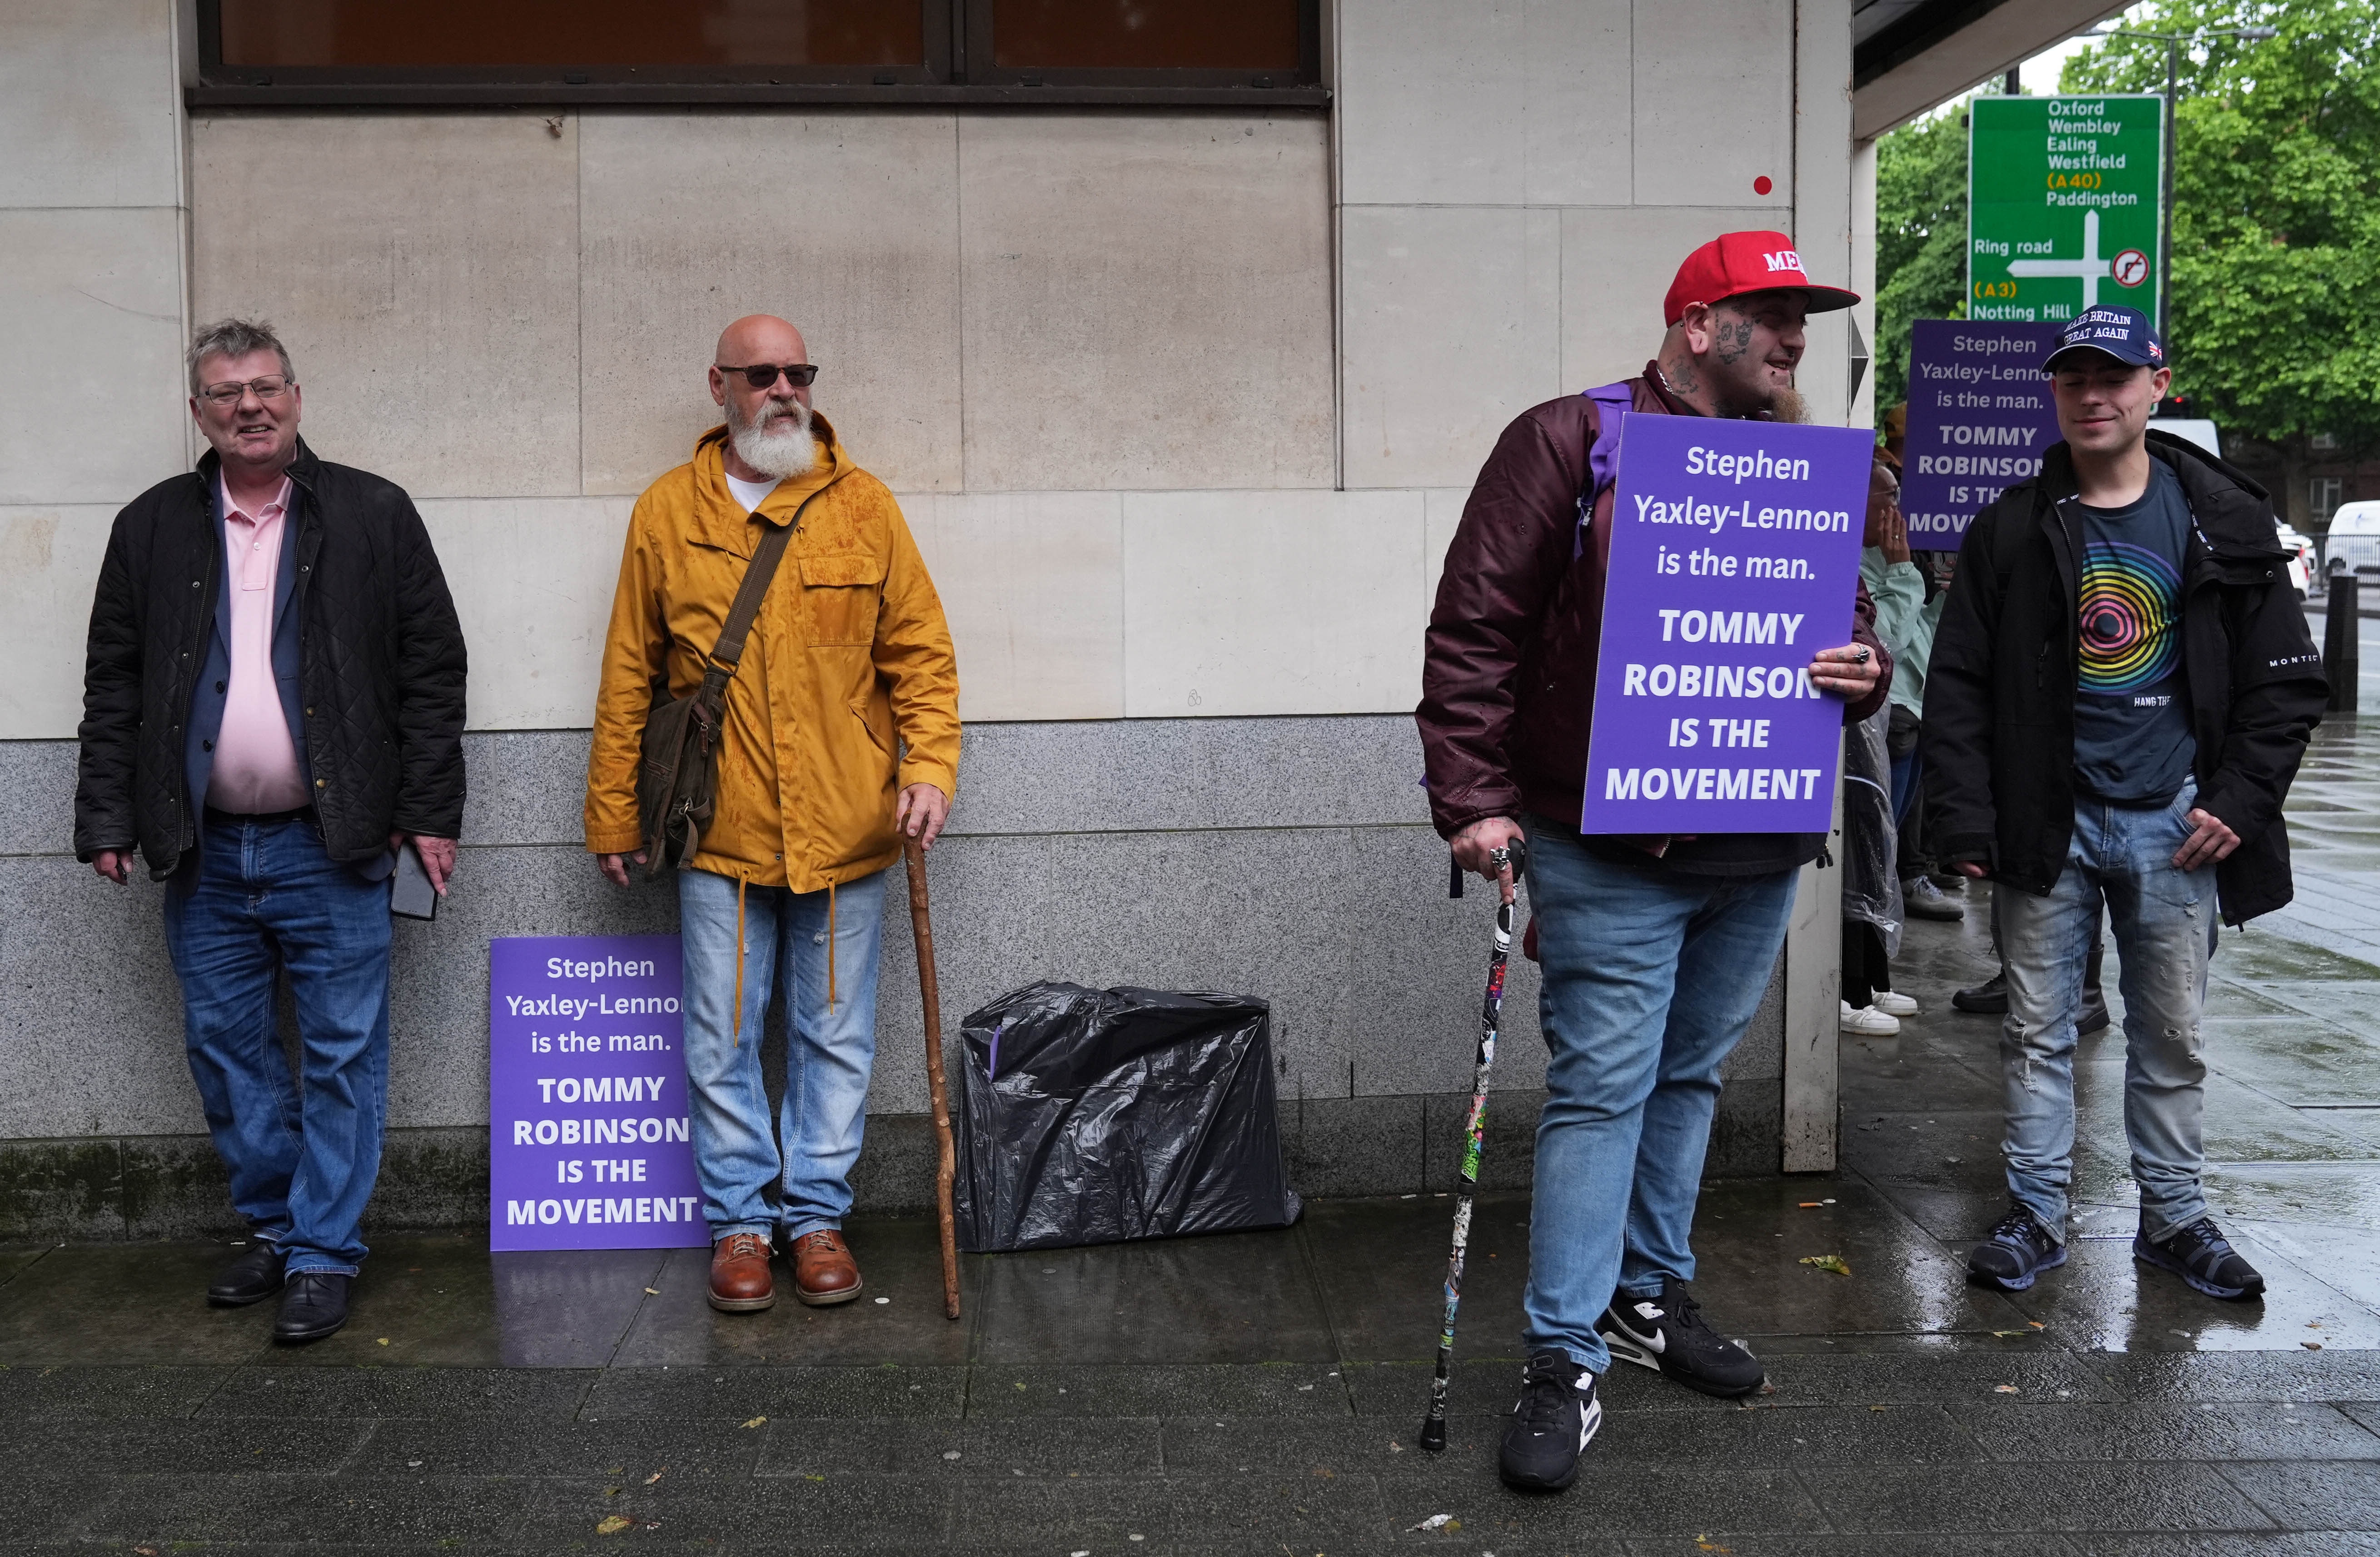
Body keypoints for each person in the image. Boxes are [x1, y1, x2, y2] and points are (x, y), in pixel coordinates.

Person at [1418, 231, 1890, 1492]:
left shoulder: (1798, 461)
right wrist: (1470, 798)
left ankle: (1642, 1297)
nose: (1795, 338)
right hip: (1609, 838)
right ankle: (1561, 1356)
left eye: (1804, 318)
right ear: (1696, 325)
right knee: (1602, 1088)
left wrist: (1865, 669)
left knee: (1685, 1081)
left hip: (1755, 837)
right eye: (1771, 314)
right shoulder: (1568, 441)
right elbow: (1475, 629)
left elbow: (1843, 623)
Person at [75, 318, 467, 1343]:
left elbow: (432, 673)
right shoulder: (153, 525)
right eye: (225, 392)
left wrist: (429, 812)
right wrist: (108, 811)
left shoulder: (374, 514)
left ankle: (324, 1250)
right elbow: (114, 682)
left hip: (333, 842)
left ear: (297, 396)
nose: (249, 405)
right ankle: (278, 1223)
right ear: (198, 413)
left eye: (265, 386)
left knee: (342, 1053)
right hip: (203, 846)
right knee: (226, 1049)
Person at [1925, 306, 2324, 1302]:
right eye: (2074, 380)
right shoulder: (2014, 525)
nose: (2094, 397)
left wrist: (2240, 798)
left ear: (2159, 386)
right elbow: (1961, 682)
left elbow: (2286, 683)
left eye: (2115, 378)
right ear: (2054, 393)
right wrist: (1965, 821)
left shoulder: (2220, 521)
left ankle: (2176, 1217)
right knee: (2034, 1029)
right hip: (2048, 819)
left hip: (2178, 825)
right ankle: (2034, 1212)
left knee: (2171, 1034)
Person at [585, 315, 960, 1314]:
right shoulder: (669, 512)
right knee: (722, 1033)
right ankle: (742, 1222)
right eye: (763, 373)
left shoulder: (864, 506)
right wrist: (613, 814)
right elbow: (630, 673)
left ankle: (817, 1218)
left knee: (836, 1035)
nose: (785, 388)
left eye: (799, 371)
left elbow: (920, 653)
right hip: (723, 835)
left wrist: (930, 766)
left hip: (848, 831)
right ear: (720, 385)